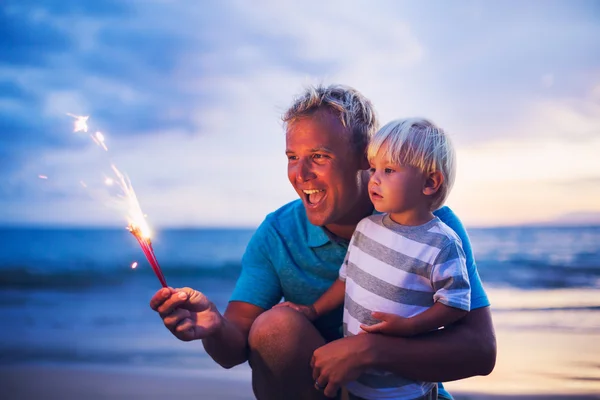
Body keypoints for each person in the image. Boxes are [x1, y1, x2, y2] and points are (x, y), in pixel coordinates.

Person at [149, 84, 496, 400]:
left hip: (405, 394)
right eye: (292, 157)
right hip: (323, 392)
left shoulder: (429, 225)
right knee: (274, 328)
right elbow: (232, 350)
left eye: (319, 156)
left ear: (365, 158)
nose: (300, 175)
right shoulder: (278, 234)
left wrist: (369, 351)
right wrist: (212, 326)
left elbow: (481, 350)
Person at [275, 118, 470, 400]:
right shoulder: (367, 227)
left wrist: (411, 326)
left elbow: (455, 304)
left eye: (389, 170)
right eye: (374, 168)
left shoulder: (441, 242)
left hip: (407, 387)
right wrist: (314, 310)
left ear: (430, 182)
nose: (374, 179)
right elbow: (347, 278)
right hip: (356, 380)